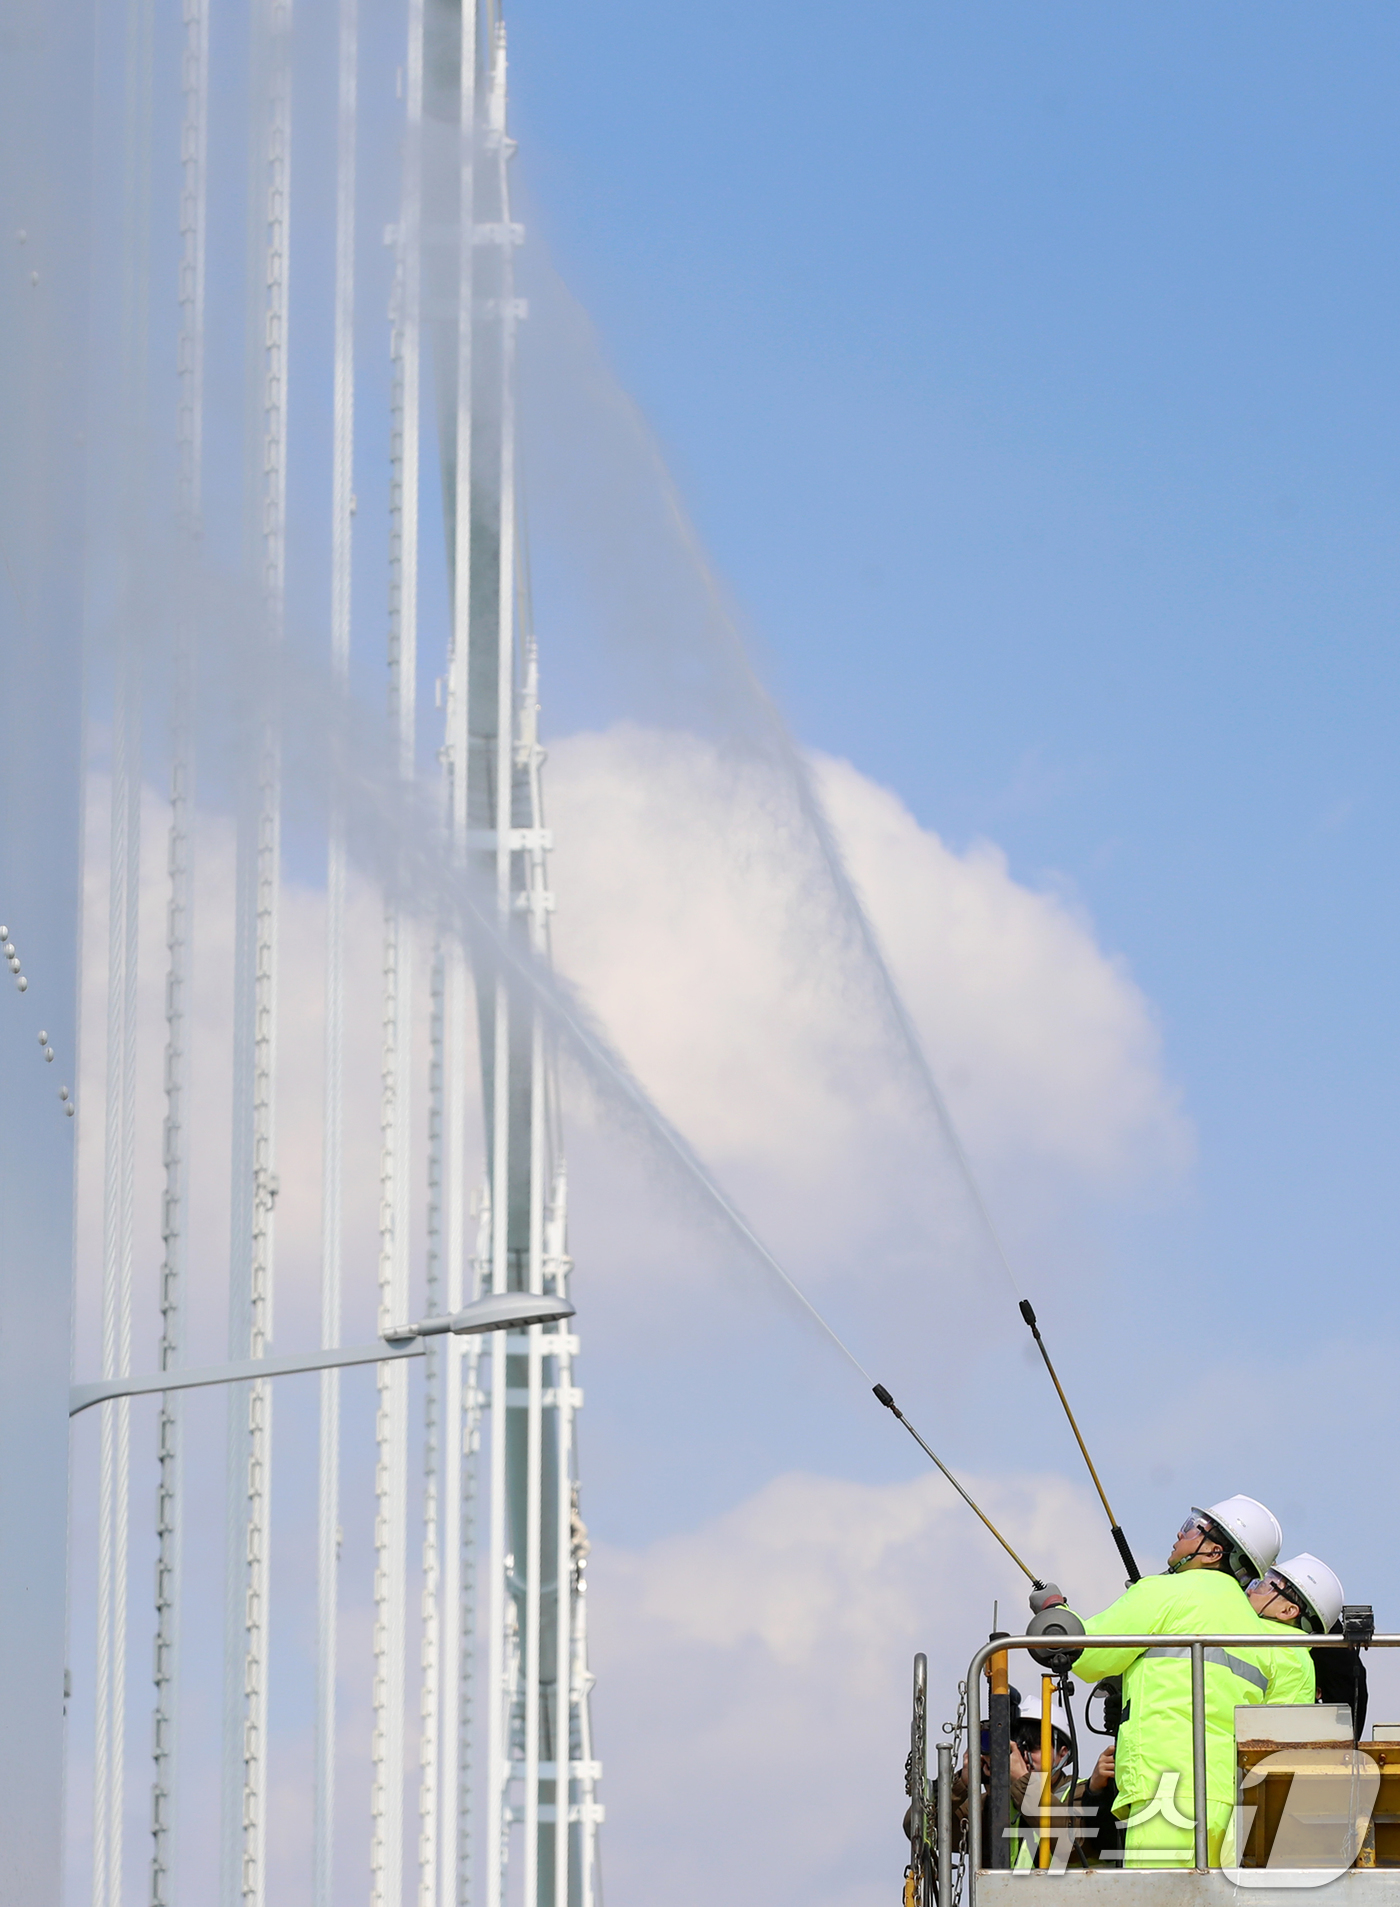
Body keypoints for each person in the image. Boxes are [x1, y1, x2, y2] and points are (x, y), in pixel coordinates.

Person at [1034, 1495, 1314, 1869]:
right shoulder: (1260, 1631)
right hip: (1231, 1803)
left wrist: (1054, 1609)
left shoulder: (1163, 1593)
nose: (1178, 1535)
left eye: (1189, 1528)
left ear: (1214, 1550)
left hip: (1164, 1792)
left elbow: (1084, 1653)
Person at [1247, 1553, 1366, 1737]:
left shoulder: (1280, 1652)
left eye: (1263, 1585)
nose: (1250, 1591)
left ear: (1288, 1610)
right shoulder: (1300, 1652)